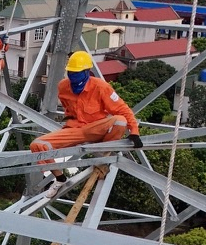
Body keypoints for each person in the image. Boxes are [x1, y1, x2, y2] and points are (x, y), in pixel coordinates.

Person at [31, 51, 141, 198]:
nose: (73, 77)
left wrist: (134, 132)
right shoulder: (63, 86)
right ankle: (59, 178)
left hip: (96, 129)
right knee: (37, 145)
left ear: (87, 71)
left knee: (120, 120)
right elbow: (67, 108)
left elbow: (122, 109)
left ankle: (104, 155)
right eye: (71, 72)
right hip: (75, 129)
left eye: (76, 73)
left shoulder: (100, 87)